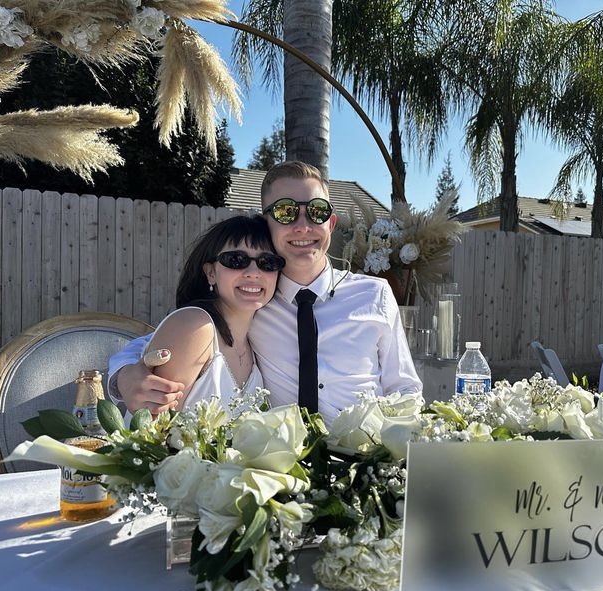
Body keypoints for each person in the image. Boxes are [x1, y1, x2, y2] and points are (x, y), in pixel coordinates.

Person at [109, 160, 422, 425]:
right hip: (278, 474)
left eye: (316, 212)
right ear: (266, 221)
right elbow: (168, 339)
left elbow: (404, 388)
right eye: (286, 212)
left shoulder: (374, 294)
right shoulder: (253, 299)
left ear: (330, 223)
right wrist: (123, 376)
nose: (303, 226)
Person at [121, 214, 283, 412]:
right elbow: (152, 430)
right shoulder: (194, 325)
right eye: (236, 260)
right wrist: (123, 373)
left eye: (267, 262)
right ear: (211, 273)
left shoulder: (258, 340)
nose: (253, 272)